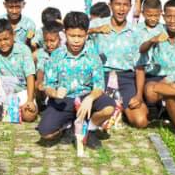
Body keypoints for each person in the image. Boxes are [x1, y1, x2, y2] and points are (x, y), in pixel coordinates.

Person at [35, 11, 116, 149]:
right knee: (45, 133)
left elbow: (99, 86)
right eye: (72, 36)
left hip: (85, 98)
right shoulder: (56, 56)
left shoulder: (93, 56)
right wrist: (55, 93)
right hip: (63, 100)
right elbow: (48, 86)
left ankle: (90, 130)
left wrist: (90, 98)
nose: (76, 40)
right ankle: (68, 126)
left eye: (80, 36)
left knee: (109, 108)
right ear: (65, 34)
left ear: (86, 35)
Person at [0, 20, 38, 122]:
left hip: (21, 91)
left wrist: (30, 100)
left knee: (29, 116)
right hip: (2, 92)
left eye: (6, 39)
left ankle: (11, 109)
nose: (3, 43)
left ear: (13, 35)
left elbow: (30, 76)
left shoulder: (23, 50)